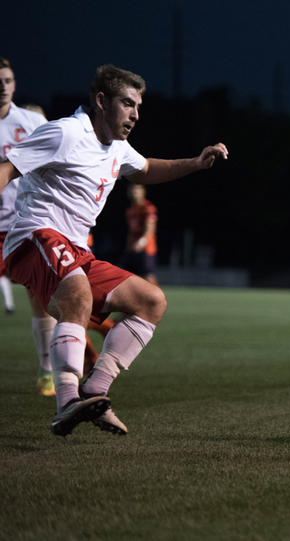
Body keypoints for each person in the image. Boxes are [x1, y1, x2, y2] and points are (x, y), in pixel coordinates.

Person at [0, 64, 228, 437]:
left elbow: (147, 168)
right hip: (33, 237)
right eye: (128, 104)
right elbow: (7, 169)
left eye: (138, 106)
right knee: (76, 296)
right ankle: (67, 401)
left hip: (74, 249)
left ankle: (94, 392)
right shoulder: (66, 131)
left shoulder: (117, 147)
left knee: (151, 301)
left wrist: (196, 163)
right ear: (102, 101)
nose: (135, 114)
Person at [0, 58, 57, 396]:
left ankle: (46, 371)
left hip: (24, 224)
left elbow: (57, 160)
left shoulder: (33, 121)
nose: (2, 85)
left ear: (15, 83)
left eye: (7, 79)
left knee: (38, 298)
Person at [121, 183, 158, 285]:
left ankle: (157, 298)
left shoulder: (148, 208)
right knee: (126, 274)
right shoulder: (130, 210)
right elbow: (131, 231)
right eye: (133, 190)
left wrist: (142, 242)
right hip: (132, 247)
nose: (134, 193)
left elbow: (150, 228)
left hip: (146, 248)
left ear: (143, 192)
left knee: (148, 275)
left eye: (137, 190)